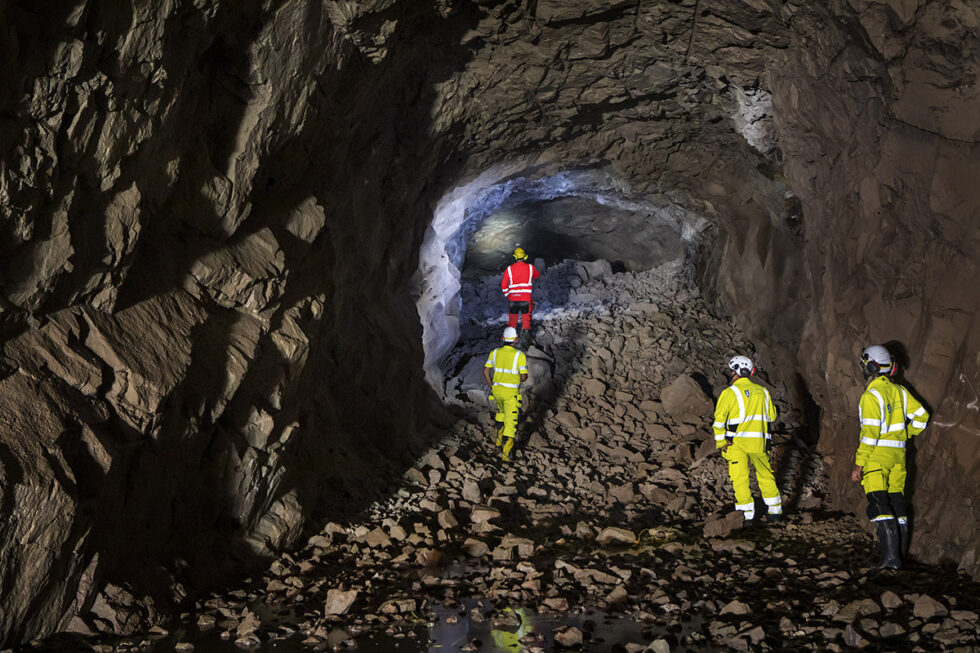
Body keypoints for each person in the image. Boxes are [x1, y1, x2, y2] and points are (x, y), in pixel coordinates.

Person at [850, 345, 929, 570]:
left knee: (878, 504)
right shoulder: (900, 392)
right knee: (896, 504)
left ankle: (890, 560)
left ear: (872, 366)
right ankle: (899, 558)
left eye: (865, 364)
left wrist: (859, 463)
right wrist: (905, 434)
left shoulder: (871, 396)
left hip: (877, 459)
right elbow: (922, 418)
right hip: (898, 458)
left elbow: (870, 433)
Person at [712, 355, 782, 525]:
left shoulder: (729, 393)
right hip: (759, 443)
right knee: (766, 475)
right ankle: (775, 511)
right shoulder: (763, 392)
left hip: (736, 444)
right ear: (750, 372)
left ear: (734, 371)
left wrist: (721, 443)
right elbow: (772, 416)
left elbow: (719, 422)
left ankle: (746, 516)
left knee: (740, 478)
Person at [483, 327, 528, 462]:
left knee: (501, 416)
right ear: (516, 340)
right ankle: (507, 456)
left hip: (497, 392)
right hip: (510, 394)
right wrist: (516, 379)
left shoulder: (495, 353)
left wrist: (492, 386)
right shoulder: (519, 355)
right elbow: (524, 377)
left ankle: (497, 445)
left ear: (503, 339)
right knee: (510, 423)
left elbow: (485, 372)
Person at [501, 247, 540, 336]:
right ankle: (525, 343)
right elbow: (537, 275)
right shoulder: (530, 267)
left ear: (515, 257)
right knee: (526, 321)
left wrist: (508, 294)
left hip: (513, 299)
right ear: (525, 257)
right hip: (525, 299)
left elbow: (503, 284)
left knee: (512, 321)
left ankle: (510, 341)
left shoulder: (509, 269)